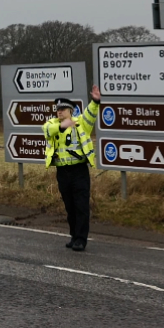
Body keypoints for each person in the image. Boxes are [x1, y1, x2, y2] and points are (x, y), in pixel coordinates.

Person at [44, 85, 102, 251]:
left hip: (79, 171)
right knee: (69, 207)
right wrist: (62, 126)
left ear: (70, 111)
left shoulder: (81, 123)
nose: (59, 112)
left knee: (81, 206)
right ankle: (73, 236)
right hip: (62, 172)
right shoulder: (53, 124)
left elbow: (91, 114)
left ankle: (81, 239)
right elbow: (46, 130)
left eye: (63, 109)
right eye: (58, 110)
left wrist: (95, 101)